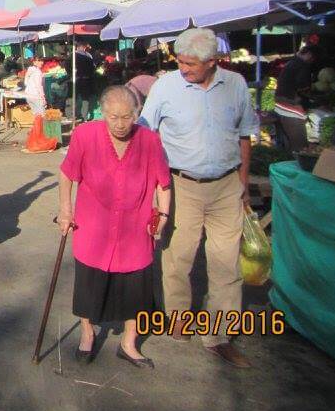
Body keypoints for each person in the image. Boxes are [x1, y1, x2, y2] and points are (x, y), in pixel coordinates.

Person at [140, 27, 257, 368]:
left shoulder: (235, 85)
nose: (183, 68)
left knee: (226, 261)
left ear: (212, 62)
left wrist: (244, 183)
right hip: (181, 184)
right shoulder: (166, 86)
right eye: (180, 61)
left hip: (227, 184)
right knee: (179, 255)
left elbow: (245, 135)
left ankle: (220, 335)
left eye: (190, 63)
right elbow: (146, 133)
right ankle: (178, 318)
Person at [59, 86, 171, 367]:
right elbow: (67, 174)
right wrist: (65, 210)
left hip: (134, 228)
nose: (120, 124)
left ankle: (129, 343)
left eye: (126, 117)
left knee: (136, 288)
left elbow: (163, 183)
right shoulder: (85, 135)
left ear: (136, 114)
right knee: (89, 284)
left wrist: (163, 215)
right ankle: (87, 334)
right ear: (103, 113)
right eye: (113, 117)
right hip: (94, 226)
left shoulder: (149, 140)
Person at [273, 44, 319, 152]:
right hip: (291, 108)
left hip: (280, 105)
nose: (313, 61)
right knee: (300, 147)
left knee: (287, 146)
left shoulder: (292, 62)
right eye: (313, 58)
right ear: (309, 54)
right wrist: (315, 97)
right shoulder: (302, 66)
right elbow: (302, 88)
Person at [73, 42, 97, 122]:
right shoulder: (88, 55)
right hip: (86, 79)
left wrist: (71, 73)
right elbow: (93, 67)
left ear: (77, 47)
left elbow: (66, 65)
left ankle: (74, 115)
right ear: (84, 47)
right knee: (85, 99)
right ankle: (85, 117)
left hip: (76, 79)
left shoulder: (73, 55)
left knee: (74, 97)